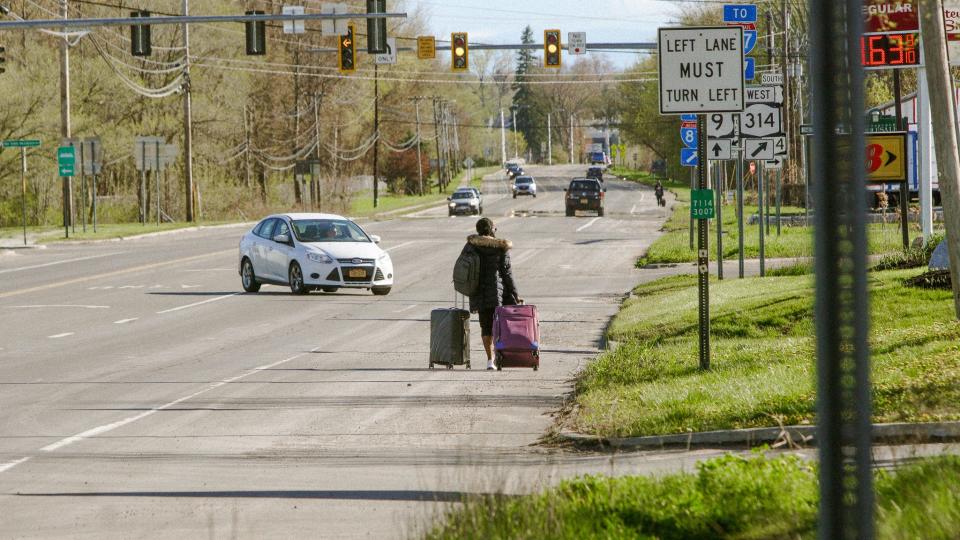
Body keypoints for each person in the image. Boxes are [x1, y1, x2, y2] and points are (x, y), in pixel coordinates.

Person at [462, 218, 520, 370]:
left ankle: (490, 360)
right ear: (492, 230)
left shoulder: (470, 246)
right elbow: (507, 273)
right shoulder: (501, 247)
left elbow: (463, 267)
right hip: (496, 293)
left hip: (477, 290)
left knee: (485, 326)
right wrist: (515, 294)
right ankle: (501, 355)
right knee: (500, 325)